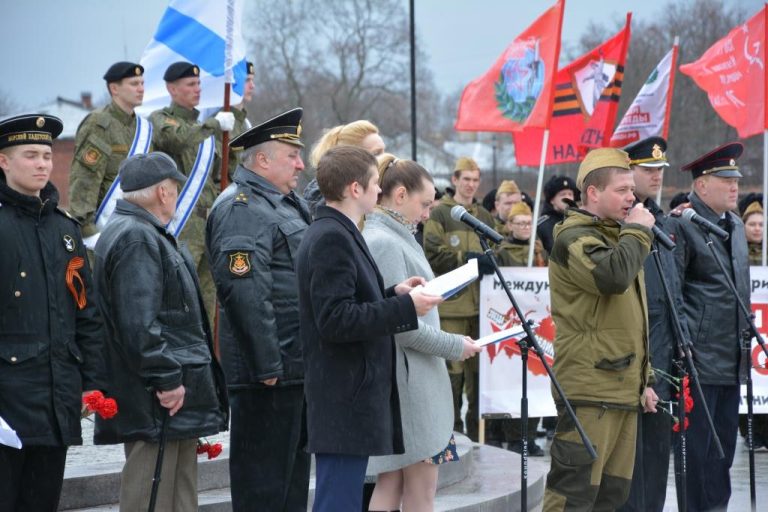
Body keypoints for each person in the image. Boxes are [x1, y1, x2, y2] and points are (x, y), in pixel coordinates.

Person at [296, 145, 443, 511]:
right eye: (375, 183)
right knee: (338, 502)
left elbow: (348, 301)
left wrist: (393, 292)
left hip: (349, 397)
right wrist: (404, 306)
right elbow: (335, 319)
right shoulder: (331, 236)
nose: (380, 191)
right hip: (343, 397)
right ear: (355, 188)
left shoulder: (340, 231)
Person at [92, 152, 228, 512]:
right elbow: (138, 324)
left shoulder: (145, 232)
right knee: (151, 495)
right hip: (157, 395)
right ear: (164, 192)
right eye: (174, 188)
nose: (176, 195)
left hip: (169, 392)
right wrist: (166, 378)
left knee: (178, 493)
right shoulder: (137, 237)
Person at [206, 108, 311, 510]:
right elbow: (244, 293)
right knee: (264, 489)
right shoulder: (242, 208)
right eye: (292, 155)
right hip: (267, 376)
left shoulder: (285, 203)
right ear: (263, 160)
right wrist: (267, 367)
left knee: (290, 487)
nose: (301, 164)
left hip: (293, 367)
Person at [363, 154, 481, 511]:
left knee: (398, 484)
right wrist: (454, 345)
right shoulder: (384, 240)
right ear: (399, 195)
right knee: (416, 491)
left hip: (413, 380)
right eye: (425, 204)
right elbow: (401, 327)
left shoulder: (393, 235)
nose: (429, 214)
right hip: (409, 383)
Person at [0, 114, 105, 511]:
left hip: (56, 402)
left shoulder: (65, 230)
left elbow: (86, 314)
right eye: (30, 155)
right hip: (7, 405)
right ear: (4, 162)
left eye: (46, 154)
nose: (43, 163)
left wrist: (91, 384)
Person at [543, 147, 657, 511]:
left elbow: (628, 318)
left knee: (612, 497)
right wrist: (638, 231)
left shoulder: (619, 236)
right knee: (573, 495)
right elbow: (612, 278)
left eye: (631, 190)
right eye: (622, 190)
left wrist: (646, 379)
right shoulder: (573, 237)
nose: (632, 198)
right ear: (593, 193)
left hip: (624, 387)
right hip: (590, 388)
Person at [666, 142, 751, 512]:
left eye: (736, 179)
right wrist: (686, 347)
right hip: (697, 362)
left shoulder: (734, 225)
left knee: (724, 454)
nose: (735, 186)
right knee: (697, 454)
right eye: (725, 179)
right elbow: (673, 294)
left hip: (732, 358)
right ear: (701, 186)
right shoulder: (680, 225)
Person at [619, 137, 685, 512]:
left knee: (657, 462)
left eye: (660, 170)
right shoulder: (624, 227)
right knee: (632, 469)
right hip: (636, 363)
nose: (656, 176)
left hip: (665, 359)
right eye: (647, 170)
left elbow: (674, 295)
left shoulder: (664, 222)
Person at [149, 61, 235, 326]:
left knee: (208, 300)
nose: (197, 89)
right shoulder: (162, 119)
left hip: (209, 223)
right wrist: (212, 125)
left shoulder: (206, 131)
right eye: (190, 84)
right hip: (181, 223)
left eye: (198, 84)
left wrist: (232, 132)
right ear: (172, 89)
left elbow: (225, 171)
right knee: (179, 294)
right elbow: (176, 139)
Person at [423, 156, 495, 442]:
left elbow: (496, 249)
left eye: (476, 180)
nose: (471, 185)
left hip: (483, 307)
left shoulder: (483, 216)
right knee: (452, 372)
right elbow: (433, 253)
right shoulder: (441, 213)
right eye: (466, 179)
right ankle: (450, 430)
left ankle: (479, 431)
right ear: (455, 180)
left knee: (479, 374)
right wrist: (466, 259)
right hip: (452, 306)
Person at [68, 61, 152, 252]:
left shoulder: (142, 128)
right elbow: (84, 180)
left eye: (142, 83)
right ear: (114, 88)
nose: (141, 89)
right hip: (103, 229)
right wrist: (87, 231)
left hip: (136, 228)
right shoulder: (99, 124)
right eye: (134, 84)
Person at [494, 200, 546, 455]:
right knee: (512, 380)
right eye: (520, 222)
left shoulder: (540, 250)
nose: (525, 227)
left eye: (529, 222)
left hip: (537, 320)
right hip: (509, 319)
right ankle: (512, 435)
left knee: (535, 379)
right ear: (509, 225)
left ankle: (530, 434)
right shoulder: (500, 251)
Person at [303, 119, 385, 217]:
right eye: (376, 154)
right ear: (350, 157)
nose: (385, 158)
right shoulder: (330, 208)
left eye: (384, 152)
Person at [737, 197, 768, 451]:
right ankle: (749, 430)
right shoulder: (738, 253)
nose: (757, 229)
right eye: (753, 224)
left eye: (761, 224)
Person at [220, 60, 255, 182]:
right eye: (247, 80)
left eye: (252, 80)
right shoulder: (221, 122)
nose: (252, 86)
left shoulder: (246, 124)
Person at [536, 174, 580, 254]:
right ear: (552, 200)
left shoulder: (580, 221)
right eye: (562, 194)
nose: (567, 198)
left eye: (570, 194)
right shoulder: (542, 226)